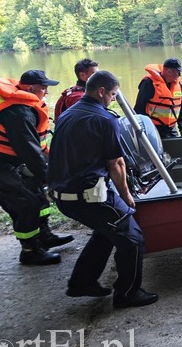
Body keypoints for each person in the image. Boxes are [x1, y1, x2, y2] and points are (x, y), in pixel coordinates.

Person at [49, 70, 157, 308]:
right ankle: (128, 294)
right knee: (132, 238)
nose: (112, 99)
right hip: (88, 196)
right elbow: (117, 163)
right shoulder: (105, 119)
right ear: (101, 92)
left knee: (107, 230)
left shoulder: (68, 113)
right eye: (112, 94)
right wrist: (127, 196)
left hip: (63, 195)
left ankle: (81, 283)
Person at [0, 70, 73, 265]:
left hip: (4, 161)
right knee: (26, 203)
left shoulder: (23, 104)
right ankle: (30, 251)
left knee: (36, 190)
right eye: (43, 88)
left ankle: (44, 236)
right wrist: (50, 178)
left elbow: (36, 144)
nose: (46, 92)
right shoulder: (18, 112)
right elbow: (29, 151)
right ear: (29, 88)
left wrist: (51, 163)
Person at [133, 58, 182, 139]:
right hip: (153, 128)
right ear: (169, 71)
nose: (179, 75)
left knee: (175, 148)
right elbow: (139, 108)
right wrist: (142, 130)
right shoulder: (149, 83)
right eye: (178, 72)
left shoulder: (178, 85)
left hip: (171, 128)